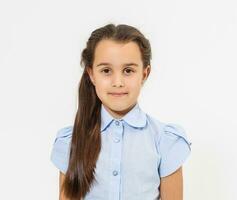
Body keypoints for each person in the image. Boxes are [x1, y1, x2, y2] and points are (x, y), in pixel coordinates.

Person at [50, 23, 192, 200]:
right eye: (106, 71)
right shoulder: (71, 141)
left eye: (128, 70)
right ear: (91, 74)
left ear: (145, 73)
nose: (118, 82)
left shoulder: (165, 140)